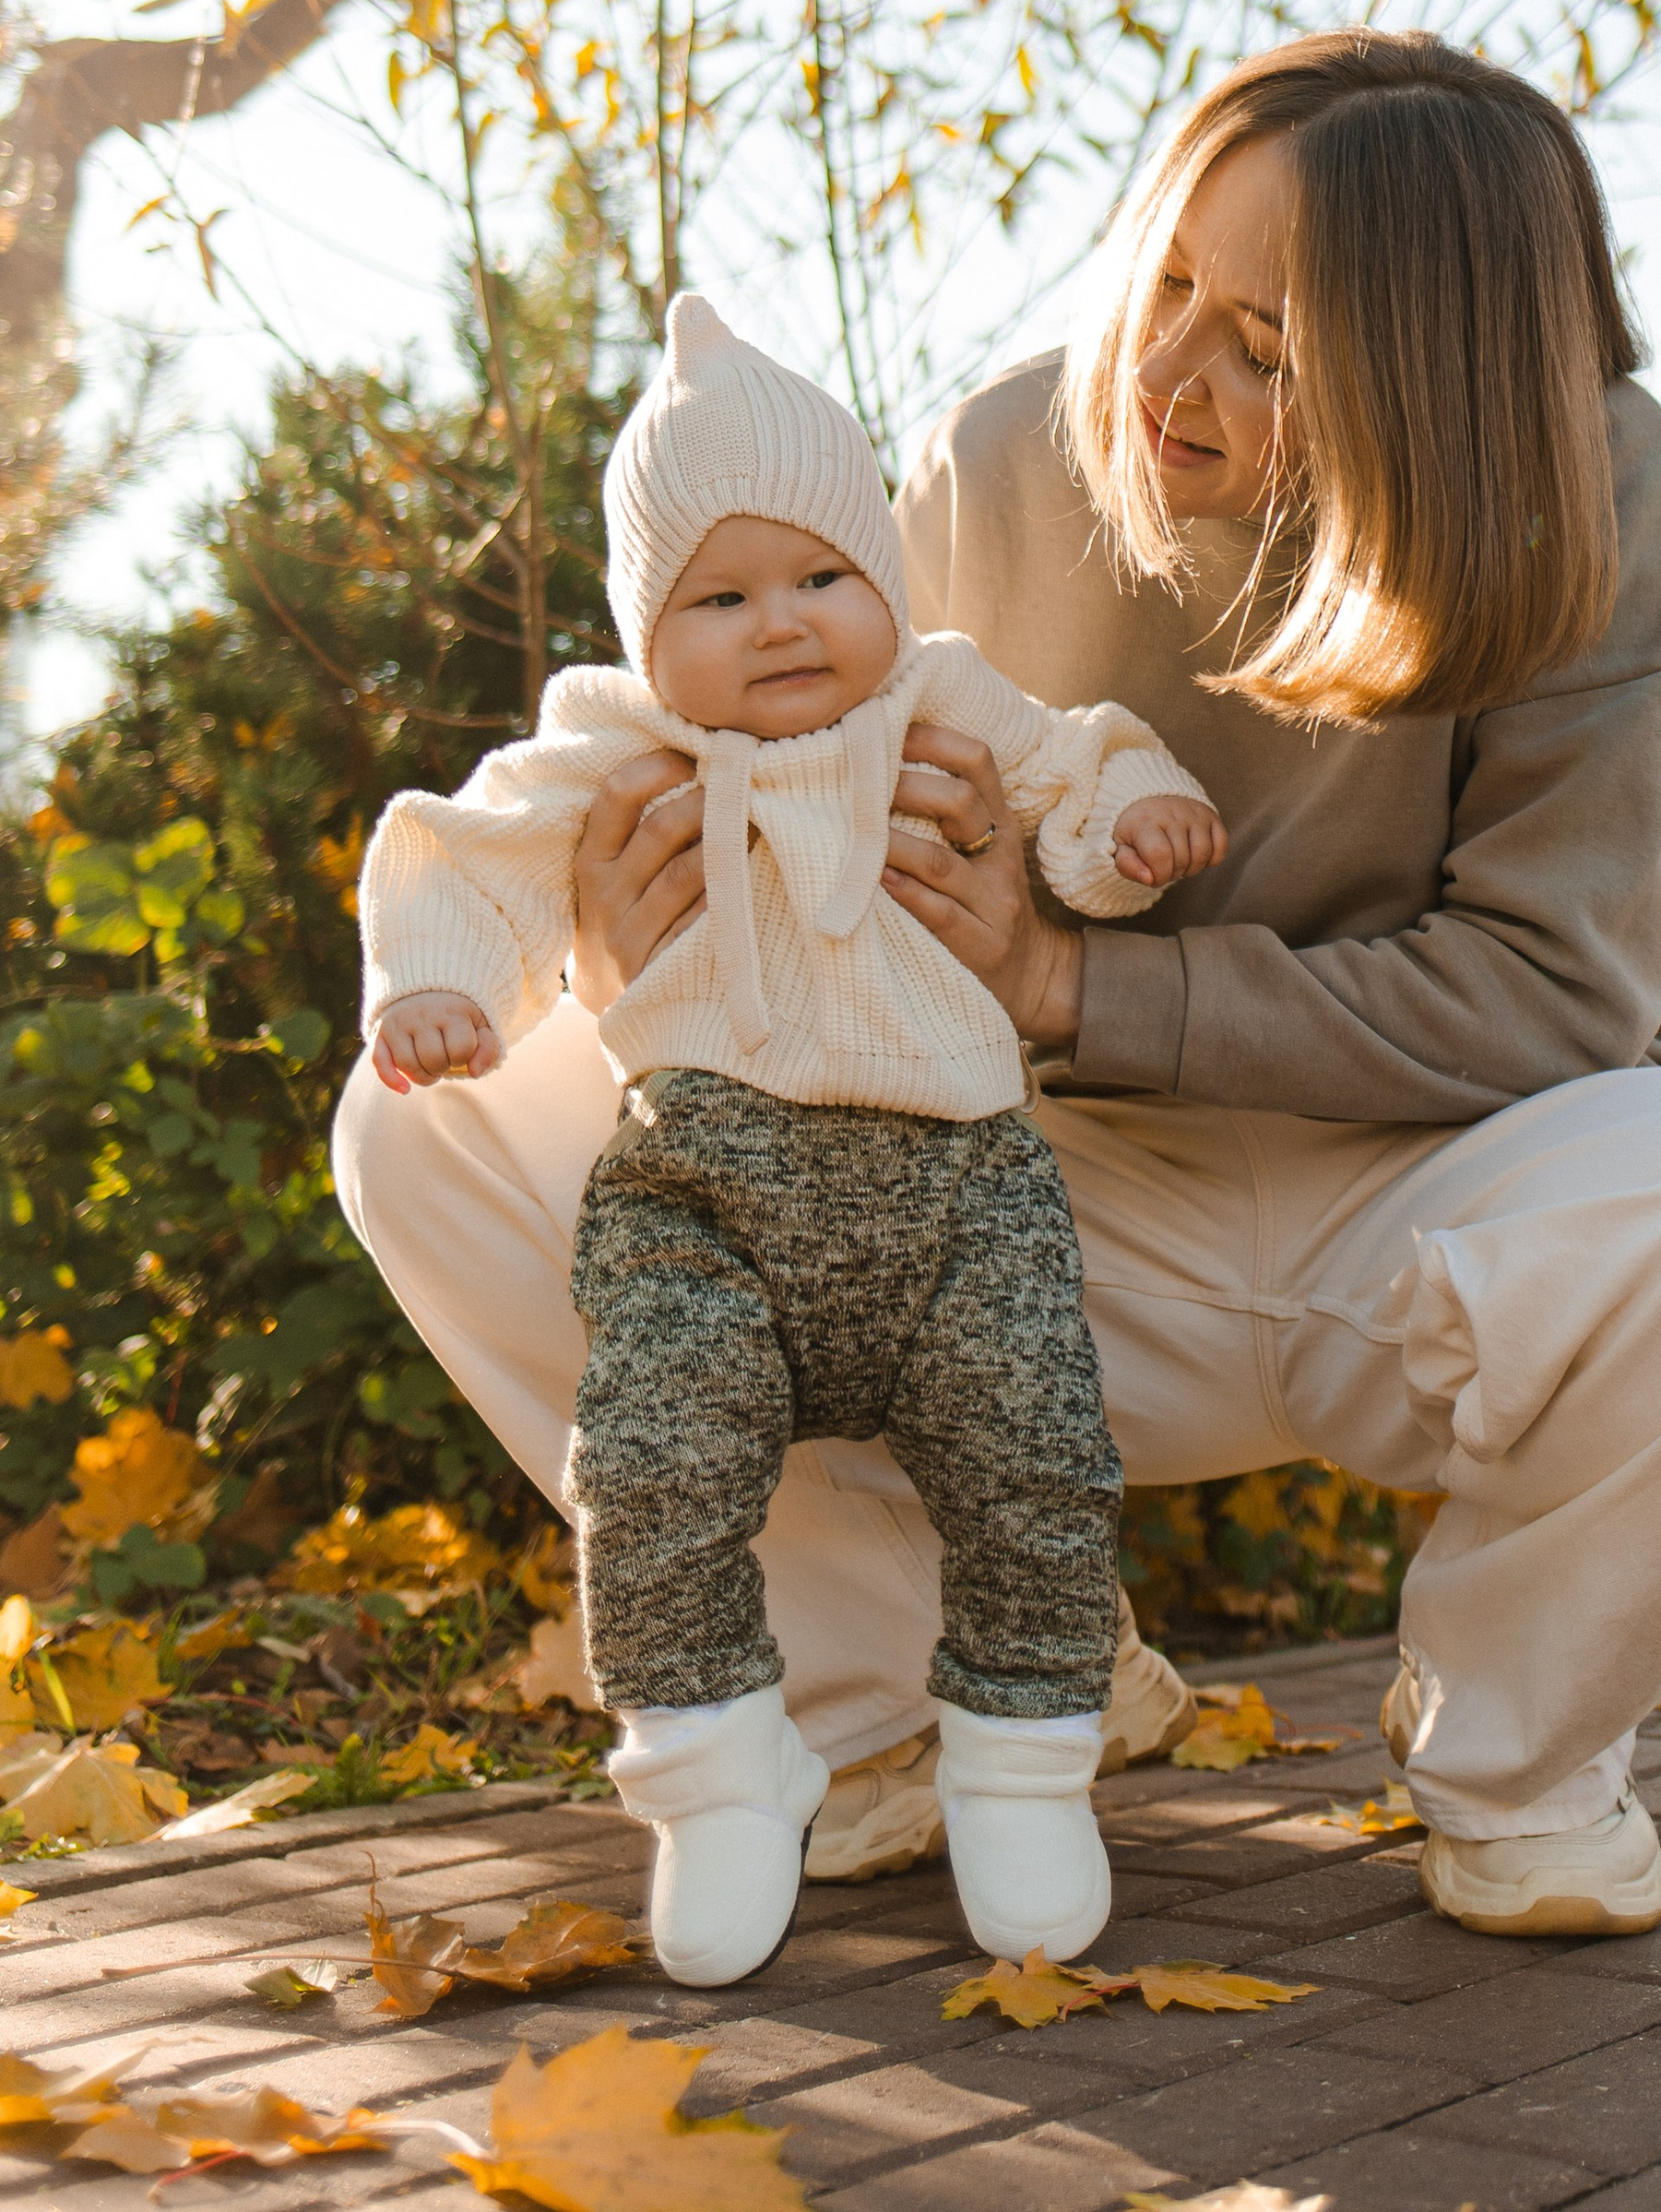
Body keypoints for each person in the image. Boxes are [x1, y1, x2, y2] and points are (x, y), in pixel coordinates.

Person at [336, 30, 1661, 1943]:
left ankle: (1519, 1764)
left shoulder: (1584, 479)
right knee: (433, 1128)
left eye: (1267, 349)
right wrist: (640, 981)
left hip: (1447, 1189)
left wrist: (1073, 982)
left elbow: (1554, 987)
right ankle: (895, 1698)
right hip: (1029, 1205)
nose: (1170, 372)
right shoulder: (995, 461)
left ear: (1442, 391)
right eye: (1166, 282)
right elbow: (805, 854)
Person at [356, 294, 1223, 1981]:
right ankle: (716, 1773)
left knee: (1036, 1459)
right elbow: (462, 849)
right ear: (643, 626)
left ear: (884, 584)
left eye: (822, 577)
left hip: (963, 1187)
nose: (781, 625)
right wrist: (442, 985)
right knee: (656, 1469)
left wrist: (1133, 826)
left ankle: (1025, 1764)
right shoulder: (620, 745)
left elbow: (1074, 771)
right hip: (707, 1189)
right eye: (721, 595)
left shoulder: (945, 695)